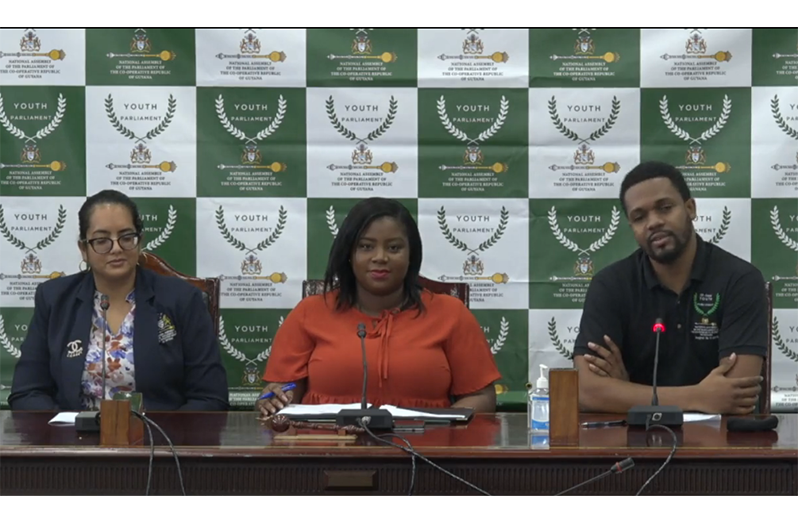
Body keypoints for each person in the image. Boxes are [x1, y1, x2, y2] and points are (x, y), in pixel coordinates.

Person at [258, 197, 501, 415]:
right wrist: (276, 399)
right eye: (366, 246)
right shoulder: (309, 312)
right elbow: (283, 390)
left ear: (411, 255)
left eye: (394, 247)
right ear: (349, 253)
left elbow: (481, 396)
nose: (380, 257)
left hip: (425, 451)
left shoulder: (450, 313)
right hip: (325, 450)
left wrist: (437, 426)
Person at [572, 161, 766, 415]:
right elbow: (586, 391)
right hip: (632, 445)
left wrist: (626, 391)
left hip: (720, 446)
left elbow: (736, 398)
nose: (653, 222)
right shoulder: (610, 285)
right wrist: (696, 397)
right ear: (632, 228)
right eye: (639, 217)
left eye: (665, 208)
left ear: (690, 208)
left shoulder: (739, 280)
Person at [9, 190, 229, 411]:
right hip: (74, 439)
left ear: (139, 241)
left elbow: (210, 398)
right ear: (84, 249)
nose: (116, 248)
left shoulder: (181, 299)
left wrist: (166, 437)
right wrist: (64, 433)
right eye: (102, 240)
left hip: (158, 439)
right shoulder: (54, 299)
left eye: (126, 237)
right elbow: (28, 391)